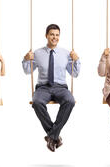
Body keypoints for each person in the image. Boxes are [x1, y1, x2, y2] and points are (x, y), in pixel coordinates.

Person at [22, 24, 80, 152]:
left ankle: (51, 136)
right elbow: (27, 71)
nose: (54, 37)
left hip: (61, 87)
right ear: (46, 36)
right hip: (43, 87)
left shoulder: (66, 53)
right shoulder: (37, 53)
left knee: (70, 101)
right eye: (52, 34)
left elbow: (74, 74)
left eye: (57, 35)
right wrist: (26, 59)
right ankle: (54, 136)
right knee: (36, 102)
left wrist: (77, 60)